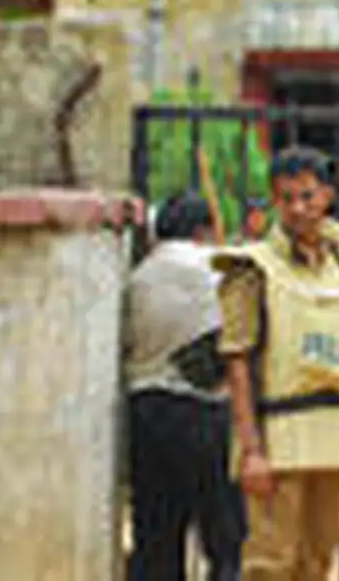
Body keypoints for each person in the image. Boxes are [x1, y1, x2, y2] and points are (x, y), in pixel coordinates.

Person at [212, 147, 339, 581]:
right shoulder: (252, 268)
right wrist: (252, 450)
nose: (298, 208)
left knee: (318, 558)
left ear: (327, 196)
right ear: (274, 200)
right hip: (279, 437)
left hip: (335, 434)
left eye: (307, 196)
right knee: (271, 563)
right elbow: (237, 361)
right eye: (286, 198)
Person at [122, 192, 246, 581]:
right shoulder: (219, 267)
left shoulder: (137, 278)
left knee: (157, 534)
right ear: (204, 230)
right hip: (203, 411)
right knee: (225, 535)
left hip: (146, 411)